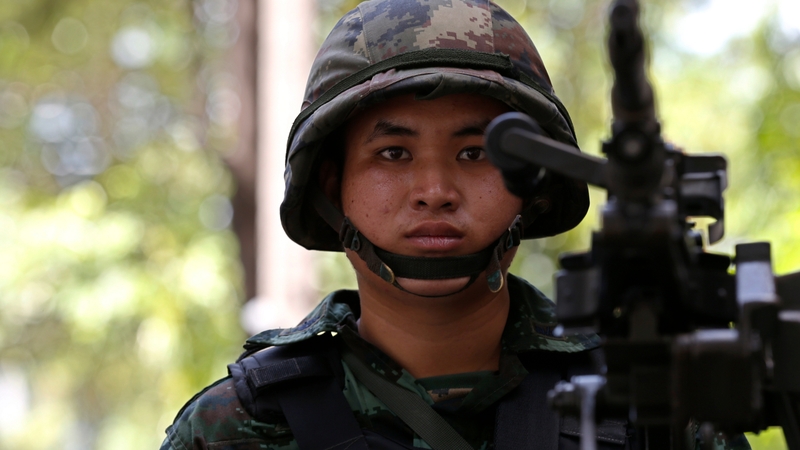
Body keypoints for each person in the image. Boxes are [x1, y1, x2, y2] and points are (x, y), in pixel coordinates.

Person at [160, 1, 749, 449]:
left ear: (535, 187)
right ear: (331, 185)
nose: (436, 192)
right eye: (393, 154)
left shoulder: (651, 405)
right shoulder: (236, 427)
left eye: (477, 153)